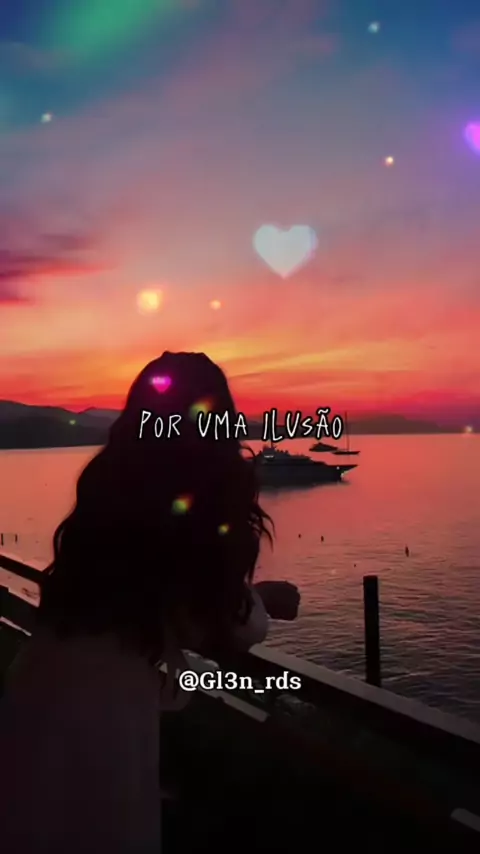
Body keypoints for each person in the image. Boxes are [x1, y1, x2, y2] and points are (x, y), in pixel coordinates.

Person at [0, 351, 300, 854]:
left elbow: (162, 599)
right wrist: (262, 601)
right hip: (101, 726)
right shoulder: (184, 509)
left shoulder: (110, 497)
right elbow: (224, 623)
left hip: (37, 692)